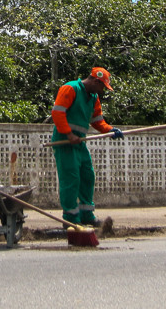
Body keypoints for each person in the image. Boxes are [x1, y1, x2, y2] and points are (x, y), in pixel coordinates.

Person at [50, 66, 123, 227]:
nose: (102, 90)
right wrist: (69, 134)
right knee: (71, 178)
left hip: (80, 142)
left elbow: (97, 120)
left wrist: (110, 130)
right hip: (64, 141)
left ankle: (86, 213)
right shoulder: (70, 88)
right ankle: (70, 217)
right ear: (95, 81)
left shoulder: (93, 97)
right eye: (102, 86)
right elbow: (57, 112)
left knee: (87, 175)